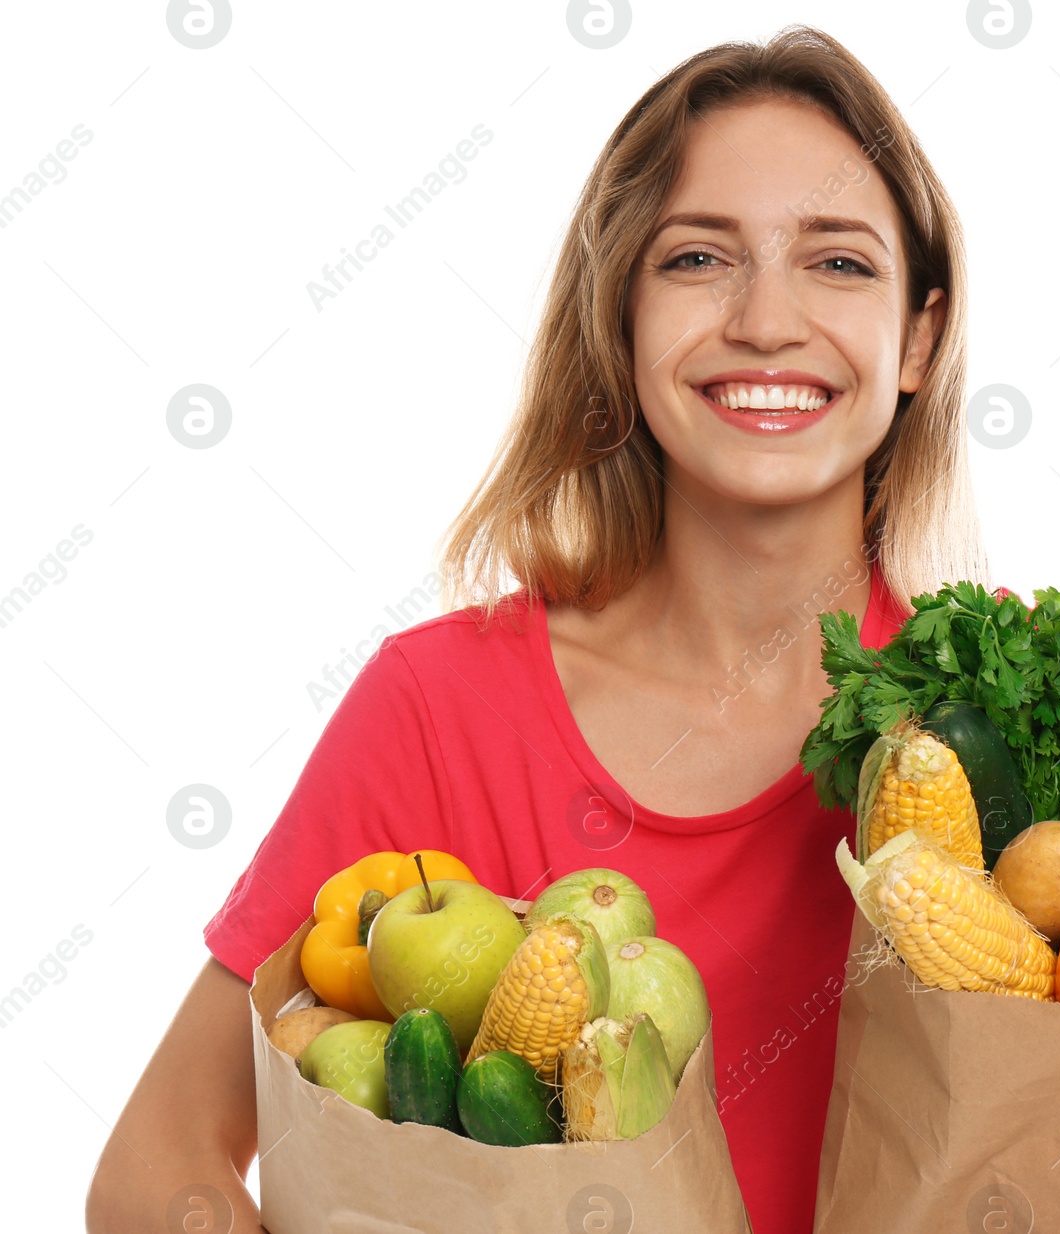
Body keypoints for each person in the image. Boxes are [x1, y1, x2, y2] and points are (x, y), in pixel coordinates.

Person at [84, 24, 990, 1234]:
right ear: (617, 320)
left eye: (836, 264)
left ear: (919, 337)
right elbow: (158, 1168)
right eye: (697, 258)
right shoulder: (440, 709)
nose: (767, 321)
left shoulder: (1003, 714)